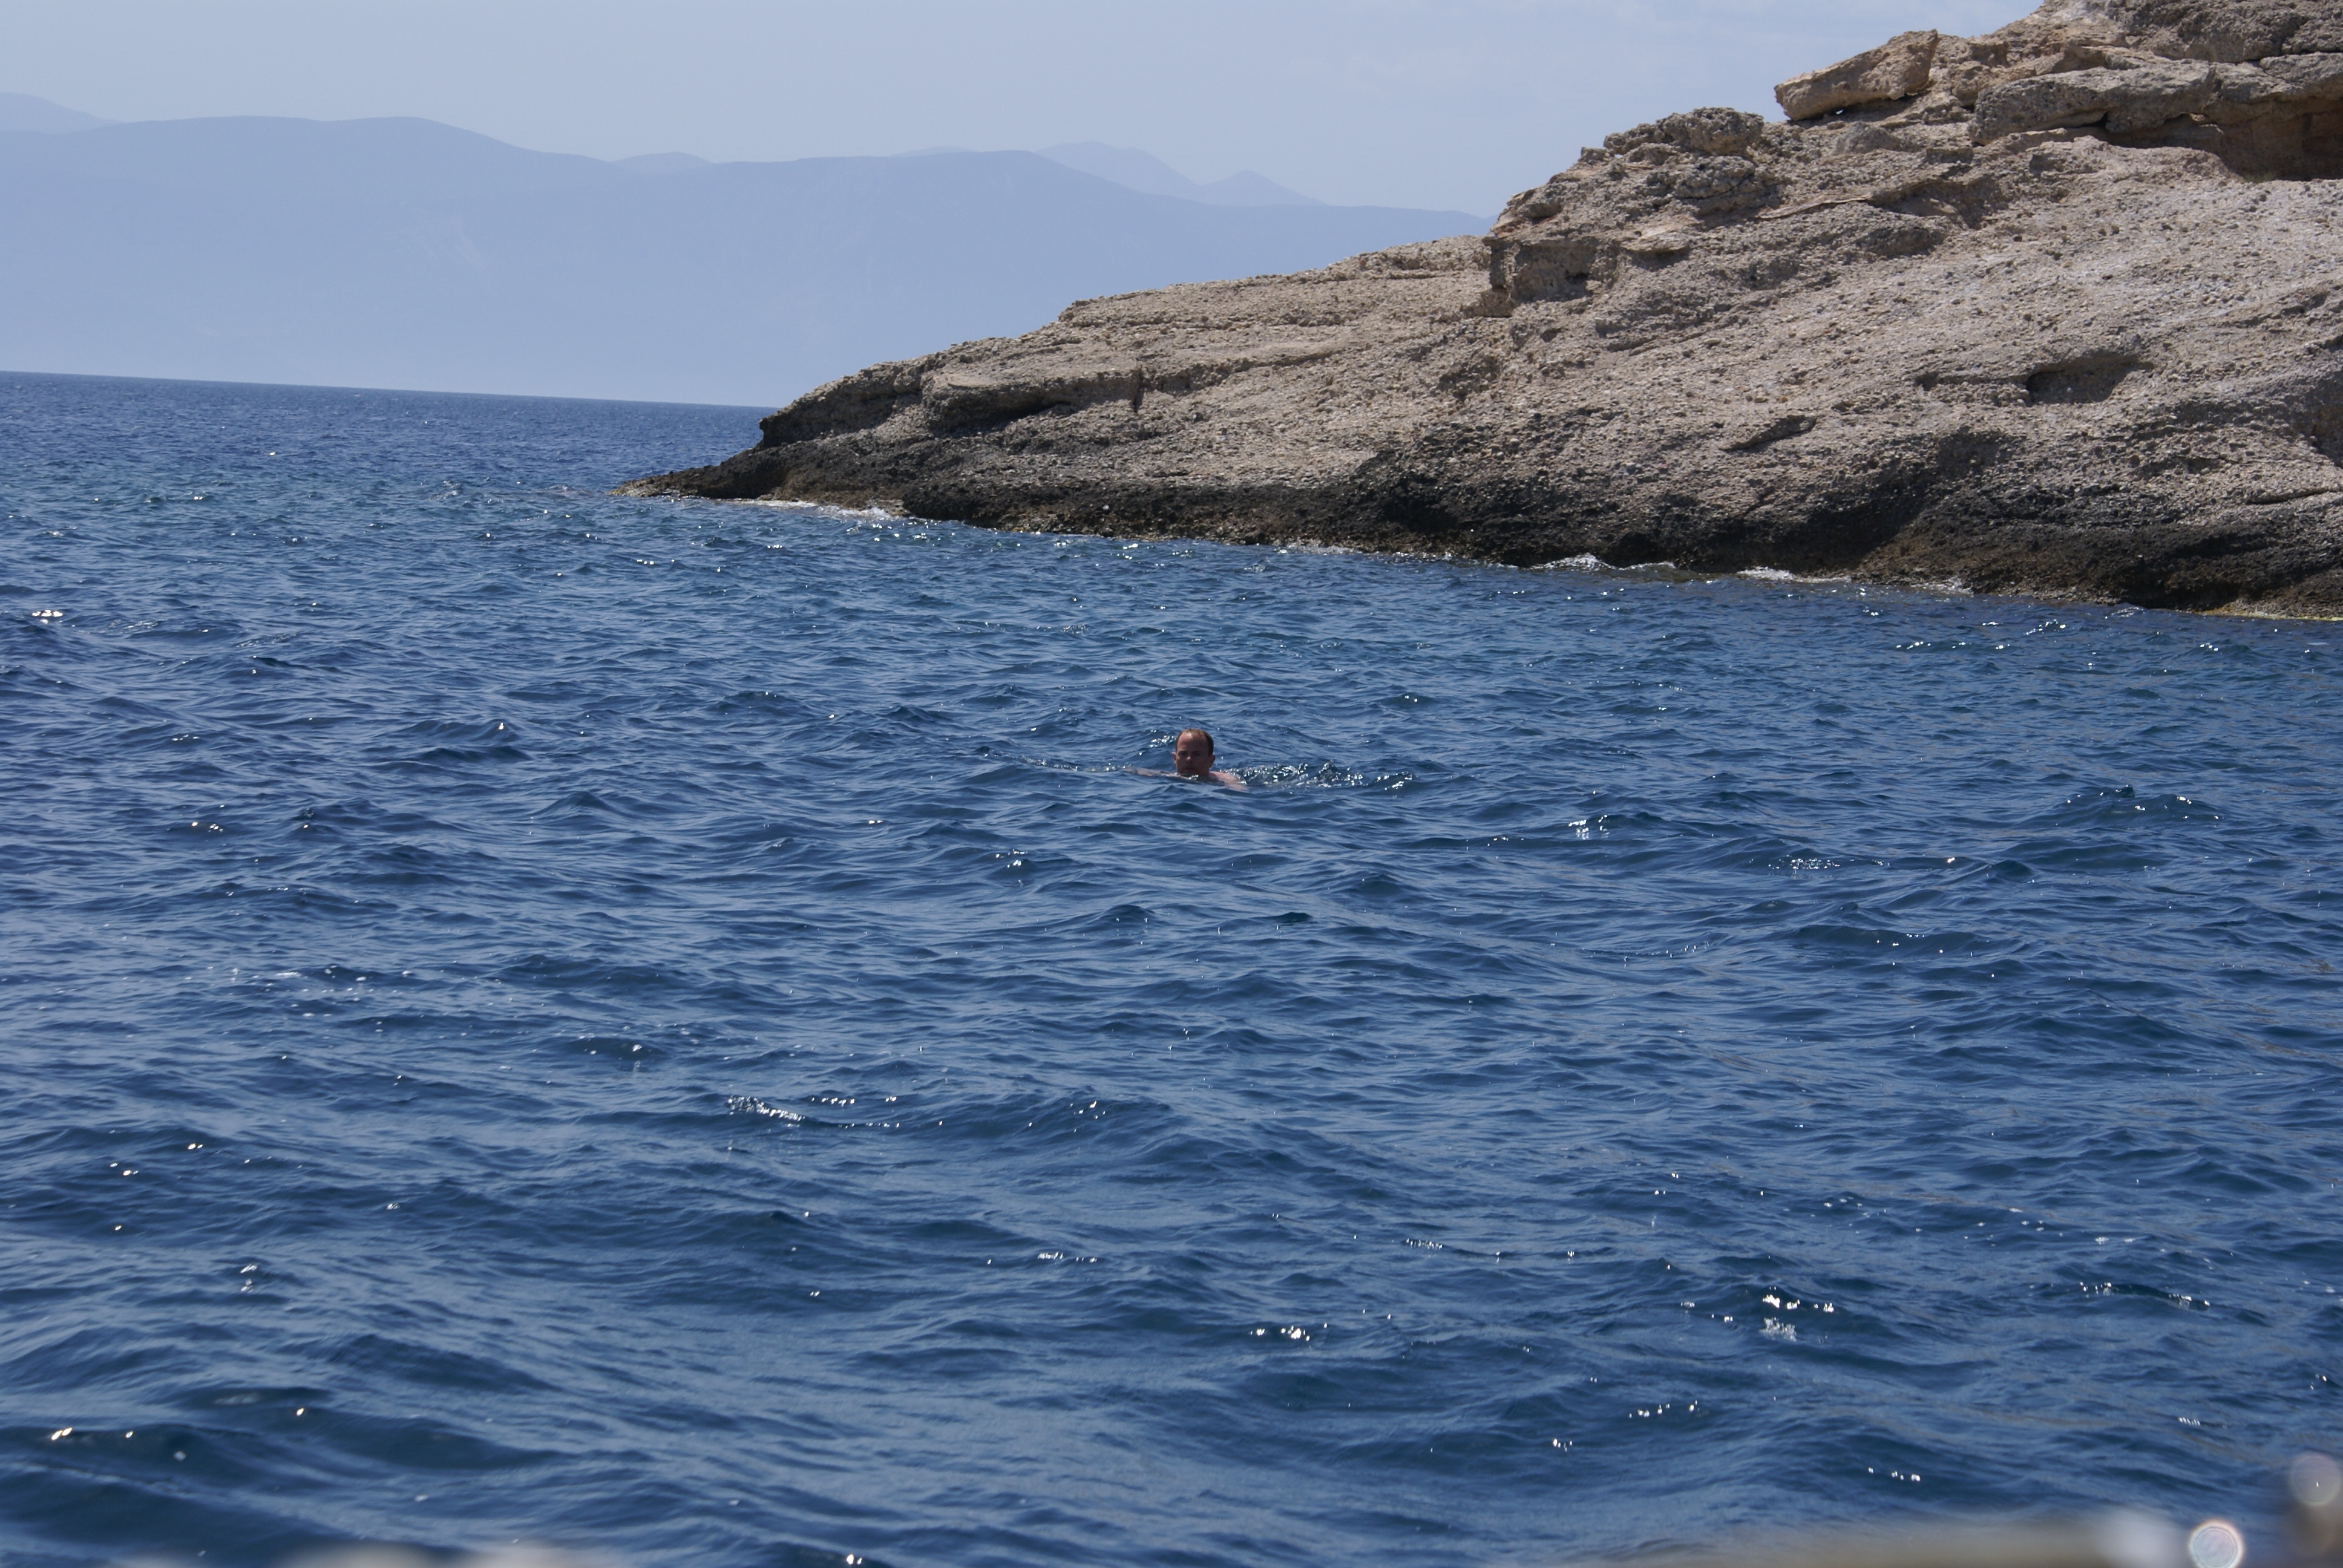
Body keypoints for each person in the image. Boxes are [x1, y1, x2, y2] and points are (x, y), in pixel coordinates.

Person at [1139, 727, 1246, 789]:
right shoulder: (1167, 779)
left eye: (1197, 754)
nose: (1189, 759)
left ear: (1211, 761)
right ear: (1175, 758)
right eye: (1183, 754)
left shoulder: (1226, 781)